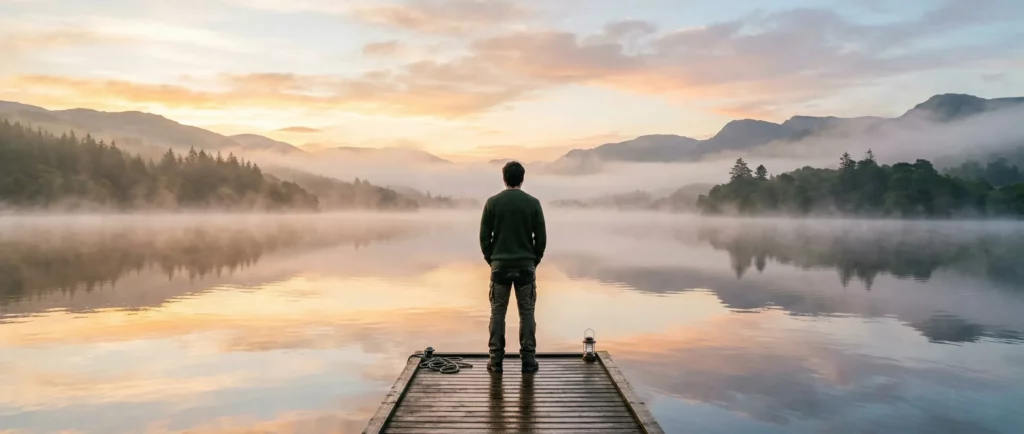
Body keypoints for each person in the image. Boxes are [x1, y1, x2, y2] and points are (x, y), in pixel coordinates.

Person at [479, 161, 547, 374]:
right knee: (526, 313)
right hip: (526, 266)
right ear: (522, 179)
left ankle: (496, 361)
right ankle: (528, 361)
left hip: (500, 266)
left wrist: (493, 259)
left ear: (504, 178)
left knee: (498, 313)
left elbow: (484, 238)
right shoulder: (533, 203)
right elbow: (541, 238)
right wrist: (534, 260)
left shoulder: (492, 203)